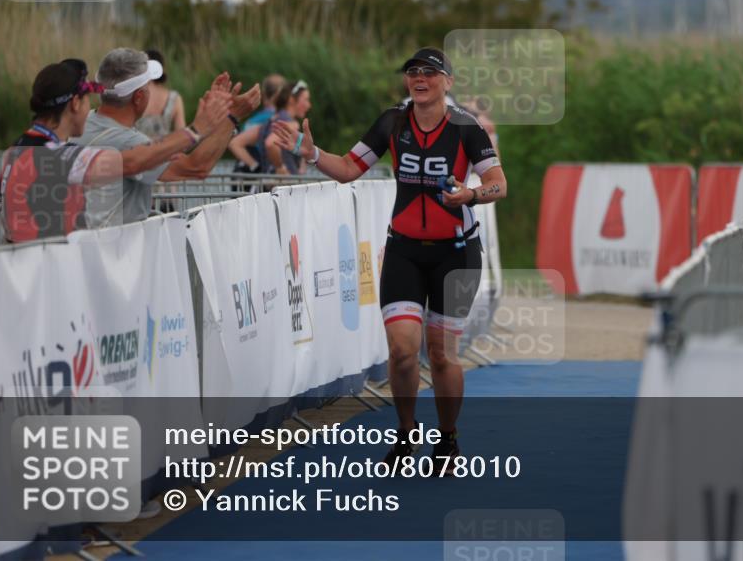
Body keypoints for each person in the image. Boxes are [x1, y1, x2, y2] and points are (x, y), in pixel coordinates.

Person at [274, 48, 506, 472]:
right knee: (401, 351)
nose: (420, 78)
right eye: (413, 72)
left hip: (457, 253)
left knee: (440, 355)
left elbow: (498, 184)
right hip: (404, 249)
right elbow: (347, 168)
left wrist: (470, 194)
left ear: (447, 82)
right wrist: (311, 154)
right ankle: (406, 431)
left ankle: (449, 439)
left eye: (430, 73)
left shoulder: (466, 128)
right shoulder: (392, 122)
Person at [0, 59, 229, 242]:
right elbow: (132, 162)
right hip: (48, 282)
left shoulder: (14, 151)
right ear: (75, 104)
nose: (92, 106)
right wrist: (196, 129)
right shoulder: (58, 157)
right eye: (88, 99)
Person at [72, 48, 261, 226]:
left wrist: (210, 123)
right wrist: (231, 118)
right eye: (148, 87)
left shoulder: (80, 123)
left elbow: (173, 152)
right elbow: (195, 167)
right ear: (139, 97)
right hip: (116, 253)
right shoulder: (129, 141)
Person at [228, 73, 286, 172]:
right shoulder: (278, 120)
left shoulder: (251, 120)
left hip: (245, 173)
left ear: (263, 94)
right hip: (265, 175)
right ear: (279, 95)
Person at [134, 49, 185, 142]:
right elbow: (181, 136)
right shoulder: (174, 98)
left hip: (137, 153)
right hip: (164, 153)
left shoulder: (134, 95)